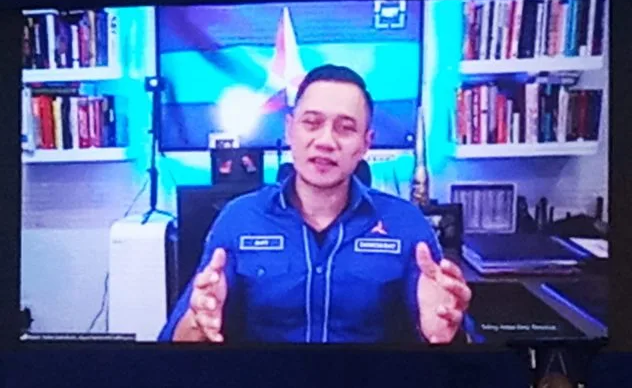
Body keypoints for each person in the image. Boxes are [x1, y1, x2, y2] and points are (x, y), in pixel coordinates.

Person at [158, 64, 472, 344]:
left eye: (345, 128)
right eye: (311, 123)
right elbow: (177, 339)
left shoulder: (405, 224)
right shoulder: (240, 219)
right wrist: (197, 323)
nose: (325, 141)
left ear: (366, 143)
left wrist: (449, 332)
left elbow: (450, 334)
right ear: (289, 130)